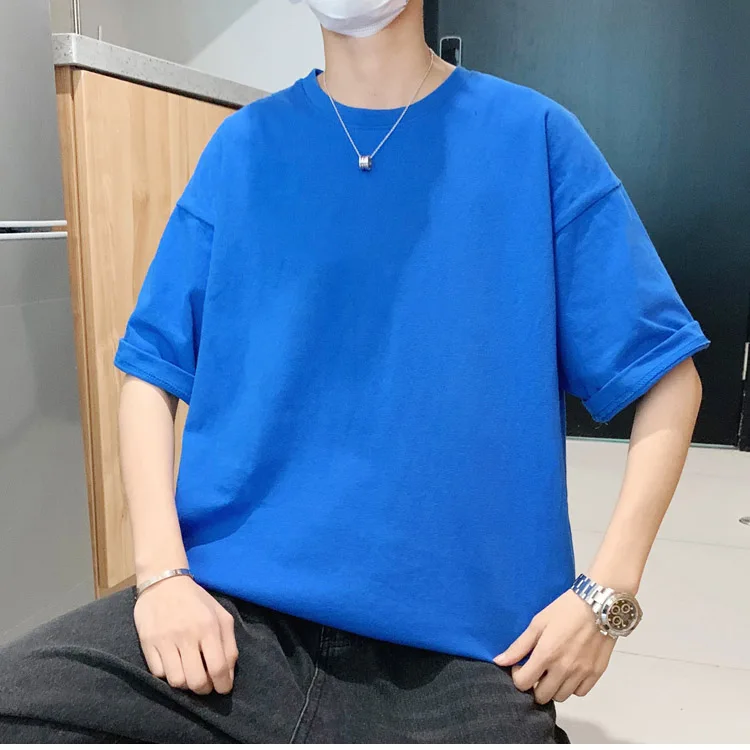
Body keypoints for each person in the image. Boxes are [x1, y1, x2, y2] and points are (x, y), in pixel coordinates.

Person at [0, 0, 708, 743]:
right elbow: (150, 372)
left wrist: (606, 596)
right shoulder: (243, 148)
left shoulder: (533, 139)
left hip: (466, 652)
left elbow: (669, 379)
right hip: (233, 620)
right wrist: (161, 577)